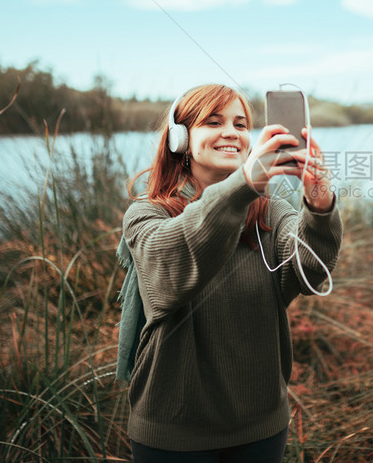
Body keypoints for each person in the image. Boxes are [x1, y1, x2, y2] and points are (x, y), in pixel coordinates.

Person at [121, 83, 342, 462]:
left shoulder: (270, 214)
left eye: (241, 124)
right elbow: (170, 266)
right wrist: (245, 184)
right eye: (213, 121)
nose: (231, 132)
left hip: (261, 429)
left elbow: (310, 271)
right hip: (173, 434)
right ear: (180, 139)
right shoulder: (147, 215)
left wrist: (319, 205)